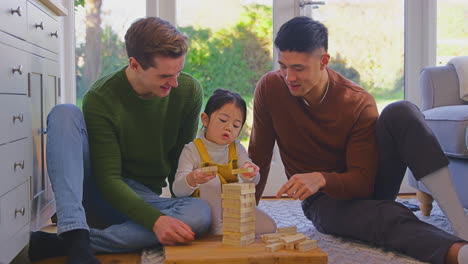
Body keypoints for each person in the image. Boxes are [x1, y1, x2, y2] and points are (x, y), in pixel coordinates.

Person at [249, 16, 468, 264]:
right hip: (322, 201)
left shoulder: (356, 102)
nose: (289, 77)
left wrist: (321, 177)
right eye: (283, 66)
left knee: (402, 111)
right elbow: (259, 157)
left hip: (365, 183)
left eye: (298, 68)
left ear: (323, 61)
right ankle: (459, 253)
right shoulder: (270, 88)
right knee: (384, 216)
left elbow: (363, 183)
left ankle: (461, 225)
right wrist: (246, 216)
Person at [28, 17, 212, 264]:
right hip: (98, 190)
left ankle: (72, 244)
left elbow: (181, 163)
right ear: (135, 65)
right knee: (64, 113)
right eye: (165, 76)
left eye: (178, 72)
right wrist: (155, 222)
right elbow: (108, 178)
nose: (175, 82)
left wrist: (178, 212)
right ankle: (75, 233)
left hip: (142, 195)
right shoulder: (101, 97)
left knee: (199, 213)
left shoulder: (188, 91)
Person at [172, 88, 277, 235]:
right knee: (211, 179)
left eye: (235, 126)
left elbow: (254, 181)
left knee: (269, 227)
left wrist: (250, 173)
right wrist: (192, 179)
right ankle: (216, 229)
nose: (228, 128)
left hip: (230, 207)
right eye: (222, 120)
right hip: (201, 210)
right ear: (205, 119)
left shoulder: (237, 149)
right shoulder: (192, 150)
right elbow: (177, 190)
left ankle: (223, 227)